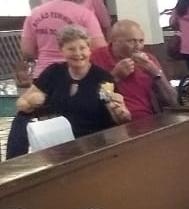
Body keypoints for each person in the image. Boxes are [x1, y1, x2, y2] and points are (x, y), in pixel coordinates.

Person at [9, 24, 130, 157]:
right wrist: (31, 102)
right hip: (58, 138)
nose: (78, 53)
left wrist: (121, 112)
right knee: (20, 119)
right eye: (71, 49)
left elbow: (117, 118)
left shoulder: (102, 77)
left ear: (89, 50)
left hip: (92, 139)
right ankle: (14, 163)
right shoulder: (54, 72)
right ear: (61, 51)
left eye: (82, 48)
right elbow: (22, 102)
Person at [18, 0, 106, 84]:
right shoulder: (84, 14)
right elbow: (99, 48)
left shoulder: (35, 13)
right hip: (76, 74)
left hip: (43, 74)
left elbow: (27, 51)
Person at [91, 19, 177, 120]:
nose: (138, 47)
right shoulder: (96, 57)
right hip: (112, 122)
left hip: (148, 119)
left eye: (141, 41)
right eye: (131, 41)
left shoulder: (150, 60)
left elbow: (173, 100)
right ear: (114, 40)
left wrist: (156, 74)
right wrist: (114, 77)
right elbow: (89, 97)